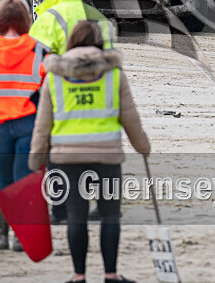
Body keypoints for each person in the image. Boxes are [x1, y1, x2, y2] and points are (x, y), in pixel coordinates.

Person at [29, 21, 150, 283]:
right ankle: (111, 274)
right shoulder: (114, 74)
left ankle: (79, 276)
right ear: (99, 43)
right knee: (109, 215)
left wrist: (36, 155)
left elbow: (43, 123)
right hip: (106, 155)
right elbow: (130, 117)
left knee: (76, 215)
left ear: (71, 42)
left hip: (67, 157)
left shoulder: (55, 76)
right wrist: (143, 146)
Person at [29, 0, 115, 223]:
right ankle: (102, 205)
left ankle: (60, 210)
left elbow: (37, 62)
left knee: (58, 152)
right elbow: (109, 55)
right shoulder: (96, 16)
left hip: (61, 92)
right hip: (98, 90)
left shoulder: (47, 18)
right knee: (98, 147)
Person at [0, 0, 47, 251]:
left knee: (3, 178)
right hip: (29, 123)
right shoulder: (38, 50)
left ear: (0, 19)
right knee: (25, 180)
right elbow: (49, 90)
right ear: (25, 20)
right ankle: (21, 238)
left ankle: (1, 236)